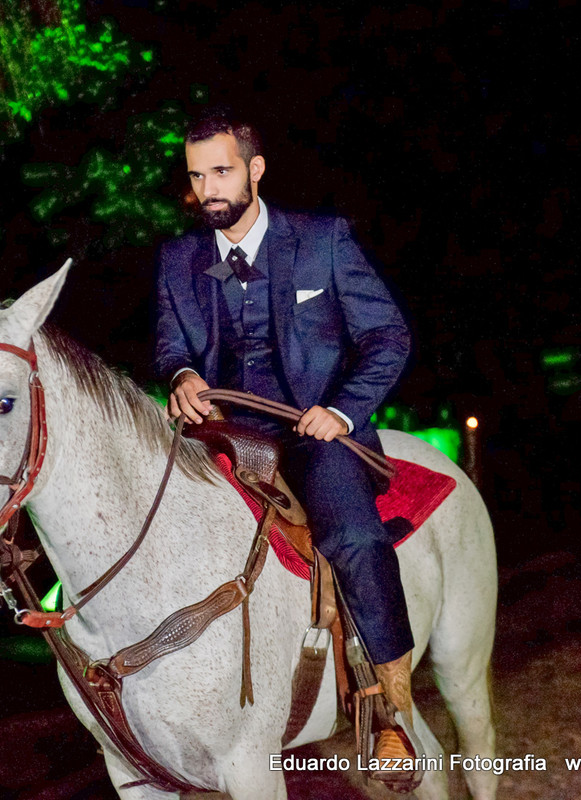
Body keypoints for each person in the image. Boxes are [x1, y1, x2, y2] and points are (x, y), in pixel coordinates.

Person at [154, 108, 422, 789]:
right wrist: (182, 376)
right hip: (220, 437)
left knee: (356, 538)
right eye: (197, 176)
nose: (209, 189)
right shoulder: (177, 259)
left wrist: (339, 410)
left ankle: (392, 710)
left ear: (255, 168)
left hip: (312, 434)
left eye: (221, 172)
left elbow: (388, 336)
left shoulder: (323, 241)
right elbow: (171, 347)